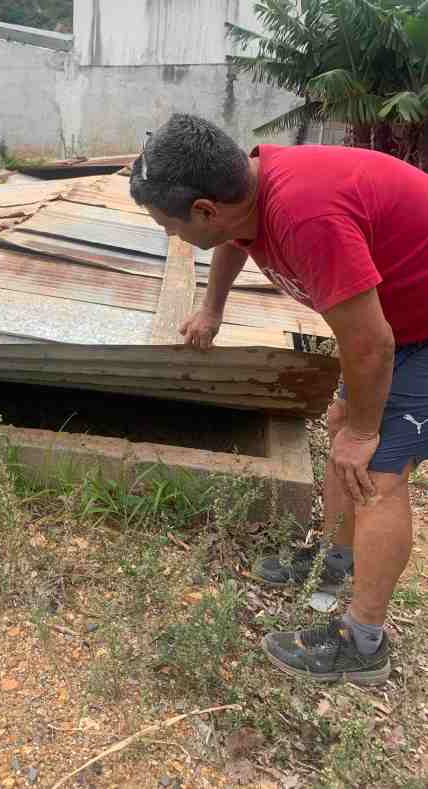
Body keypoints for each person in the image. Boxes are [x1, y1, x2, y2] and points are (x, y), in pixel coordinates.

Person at [130, 113, 428, 686]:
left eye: (171, 227)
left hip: (418, 332)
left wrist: (365, 432)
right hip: (399, 320)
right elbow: (234, 240)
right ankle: (334, 563)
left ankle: (364, 643)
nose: (173, 238)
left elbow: (372, 344)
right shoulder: (249, 188)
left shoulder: (306, 217)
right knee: (342, 427)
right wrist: (212, 308)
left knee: (377, 474)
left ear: (204, 210)